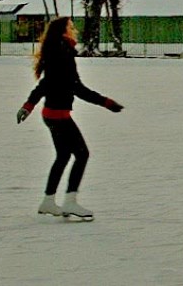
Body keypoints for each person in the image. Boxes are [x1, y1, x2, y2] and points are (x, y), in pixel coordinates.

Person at [16, 17, 123, 220]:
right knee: (82, 154)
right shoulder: (62, 53)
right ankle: (70, 202)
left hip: (52, 114)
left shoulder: (59, 50)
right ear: (64, 31)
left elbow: (48, 84)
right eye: (71, 26)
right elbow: (75, 87)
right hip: (58, 116)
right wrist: (106, 102)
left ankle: (48, 201)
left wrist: (28, 106)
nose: (74, 29)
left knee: (64, 156)